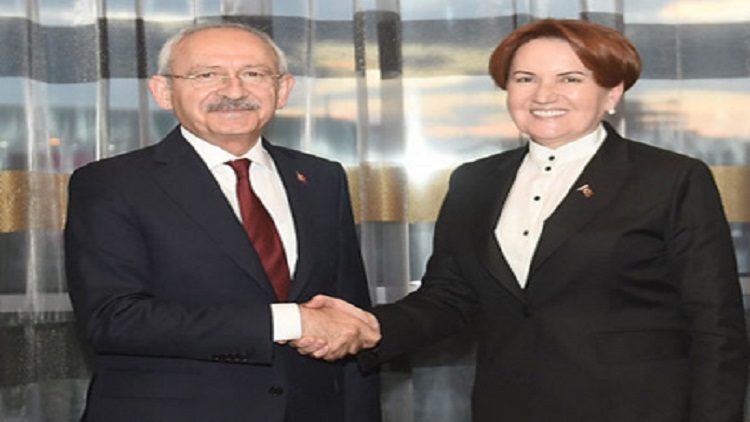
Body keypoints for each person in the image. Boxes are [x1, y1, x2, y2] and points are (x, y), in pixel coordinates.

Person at [295, 18, 749, 421]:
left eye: (570, 78)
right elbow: (449, 297)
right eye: (525, 78)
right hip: (509, 404)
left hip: (637, 408)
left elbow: (717, 325)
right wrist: (370, 327)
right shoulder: (474, 181)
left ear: (612, 92)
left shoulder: (669, 178)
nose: (544, 95)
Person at [64, 22, 380, 422]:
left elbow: (347, 317)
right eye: (207, 75)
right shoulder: (112, 183)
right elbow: (114, 319)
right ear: (163, 91)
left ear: (283, 89)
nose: (233, 91)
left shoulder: (321, 178)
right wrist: (289, 321)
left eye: (254, 74)